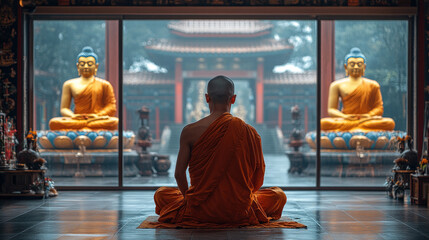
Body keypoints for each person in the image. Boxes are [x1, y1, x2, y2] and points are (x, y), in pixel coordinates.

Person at [153, 75, 291, 228]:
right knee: (278, 196)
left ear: (207, 98)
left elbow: (179, 174)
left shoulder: (190, 131)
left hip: (199, 208)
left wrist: (190, 201)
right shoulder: (250, 132)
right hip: (239, 210)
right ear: (233, 99)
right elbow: (258, 179)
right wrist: (239, 195)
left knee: (161, 194)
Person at [320, 47, 395, 132]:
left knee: (389, 123)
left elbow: (379, 108)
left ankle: (354, 129)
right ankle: (362, 129)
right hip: (346, 120)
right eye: (352, 64)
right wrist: (345, 117)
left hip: (366, 120)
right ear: (346, 67)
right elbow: (331, 110)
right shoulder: (336, 85)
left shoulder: (373, 85)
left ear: (364, 67)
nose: (356, 67)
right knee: (323, 123)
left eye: (359, 64)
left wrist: (368, 116)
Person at [49, 47, 118, 130]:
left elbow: (111, 106)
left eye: (89, 64)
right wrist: (73, 116)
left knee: (115, 122)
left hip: (96, 119)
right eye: (82, 64)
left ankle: (81, 130)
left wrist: (97, 115)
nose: (85, 67)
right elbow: (64, 109)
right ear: (78, 66)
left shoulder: (105, 84)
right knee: (54, 122)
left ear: (96, 66)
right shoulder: (69, 84)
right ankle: (90, 130)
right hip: (77, 120)